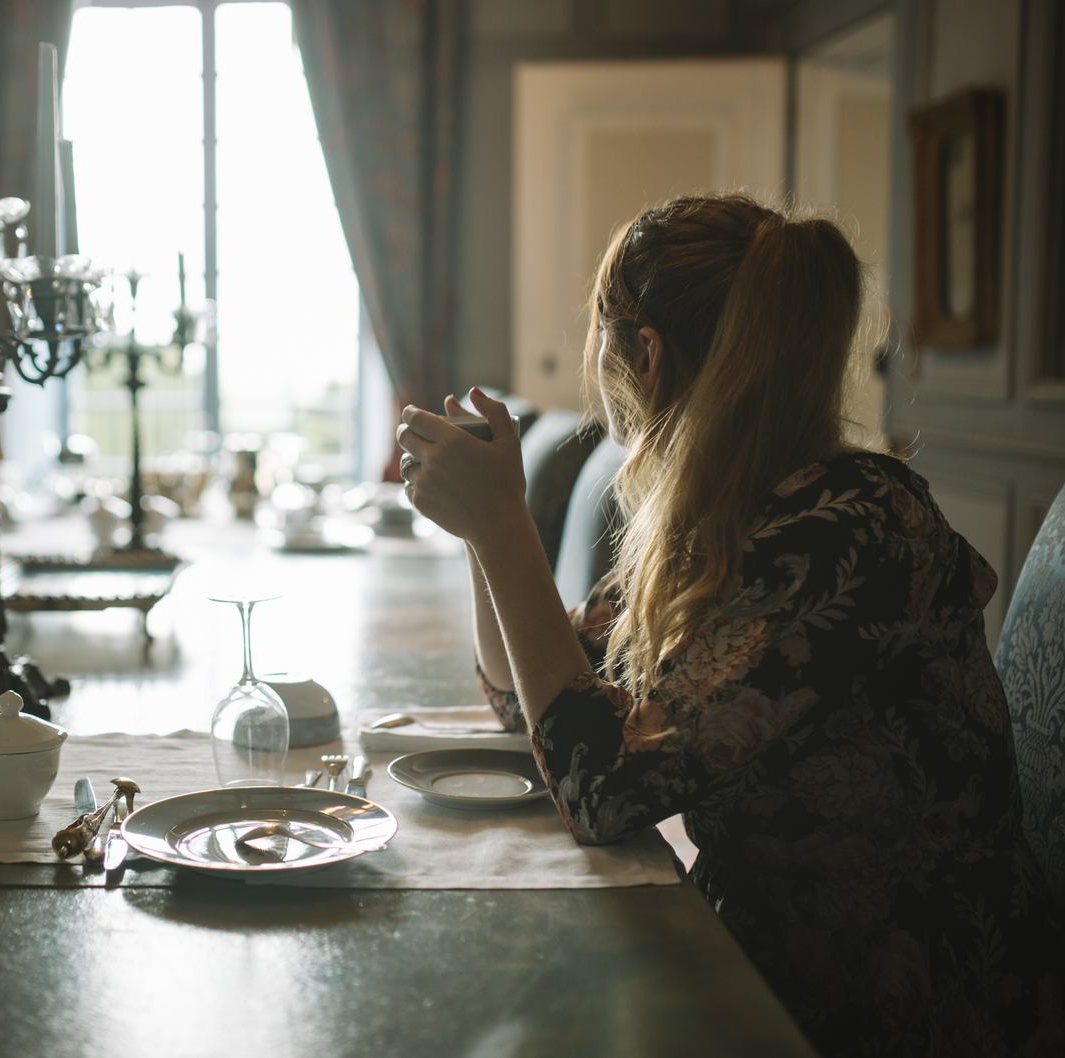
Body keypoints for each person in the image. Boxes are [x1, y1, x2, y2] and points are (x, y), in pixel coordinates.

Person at [396, 193, 1063, 1057]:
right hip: (759, 952)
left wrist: (503, 530)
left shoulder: (849, 526)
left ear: (647, 354)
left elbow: (600, 787)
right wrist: (484, 530)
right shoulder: (722, 515)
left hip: (889, 1005)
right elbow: (533, 703)